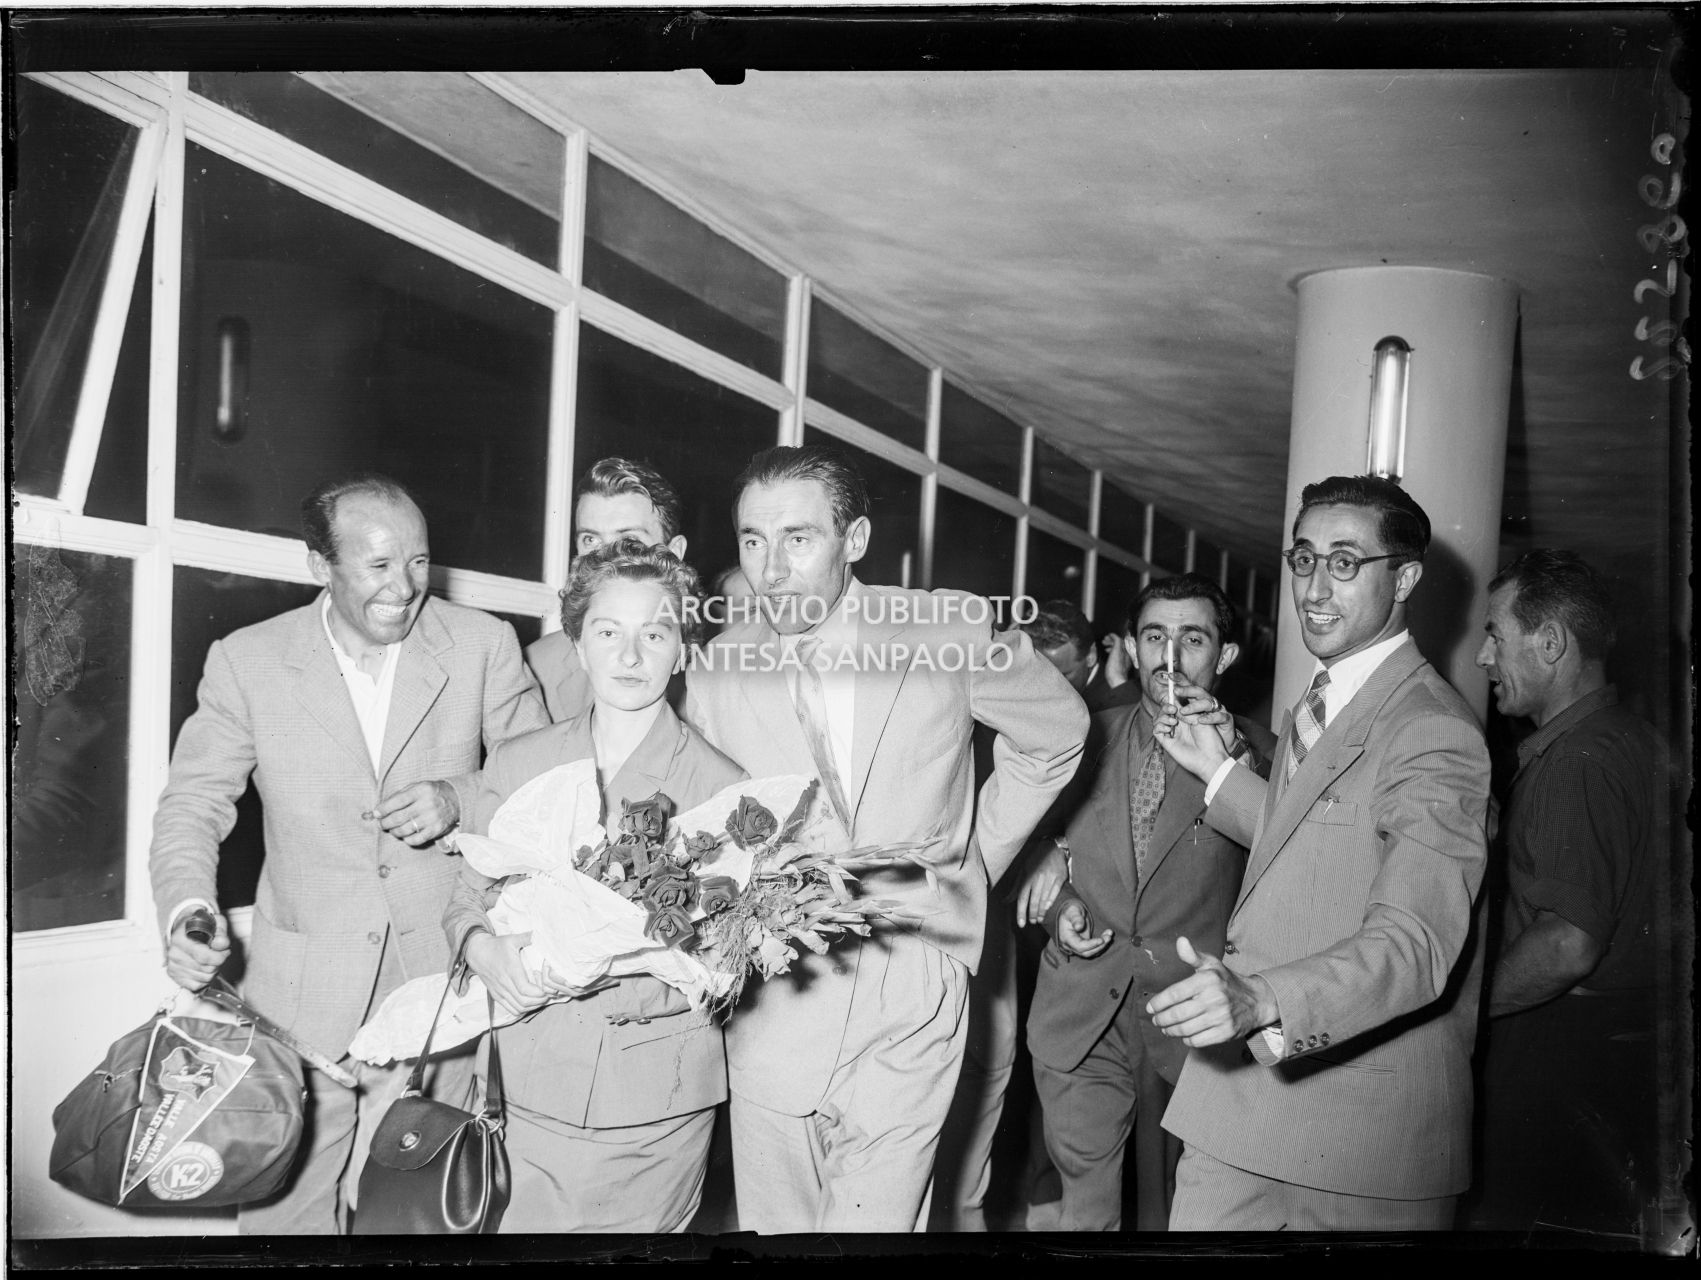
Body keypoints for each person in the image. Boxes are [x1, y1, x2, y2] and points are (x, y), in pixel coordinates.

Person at [685, 444, 1088, 1233]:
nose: (771, 569)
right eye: (752, 541)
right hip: (781, 989)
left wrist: (972, 861)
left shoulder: (946, 627)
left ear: (855, 540)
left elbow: (1057, 733)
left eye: (798, 539)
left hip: (915, 972)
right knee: (777, 1230)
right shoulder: (717, 668)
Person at [150, 474, 550, 1233]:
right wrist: (188, 907)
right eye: (377, 567)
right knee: (282, 1221)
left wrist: (460, 798)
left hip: (441, 989)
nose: (404, 588)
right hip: (299, 1002)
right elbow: (193, 806)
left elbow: (543, 784)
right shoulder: (247, 661)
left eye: (419, 562)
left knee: (426, 1217)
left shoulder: (482, 644)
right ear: (317, 565)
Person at [1148, 475, 1490, 1231]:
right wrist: (1218, 773)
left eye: (1343, 563)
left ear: (1402, 578)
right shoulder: (1331, 696)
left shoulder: (1431, 729)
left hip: (1355, 1138)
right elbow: (1315, 832)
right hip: (1239, 1115)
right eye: (1303, 560)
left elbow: (1417, 944)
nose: (1313, 587)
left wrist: (1261, 998)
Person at [443, 541, 745, 1232]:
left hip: (653, 1105)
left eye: (655, 633)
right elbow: (466, 899)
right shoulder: (521, 761)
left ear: (683, 648)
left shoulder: (722, 789)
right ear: (576, 644)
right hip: (528, 1084)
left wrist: (591, 969)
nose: (630, 656)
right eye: (608, 632)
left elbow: (723, 967)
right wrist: (481, 950)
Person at [1020, 573, 1275, 1230]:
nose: (1168, 657)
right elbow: (1023, 847)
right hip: (1082, 1009)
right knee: (1087, 1205)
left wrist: (1235, 769)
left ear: (1223, 657)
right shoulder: (1077, 739)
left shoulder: (1263, 759)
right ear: (1129, 648)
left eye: (1191, 640)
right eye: (1153, 637)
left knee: (1182, 1212)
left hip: (1192, 1019)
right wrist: (1058, 904)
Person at [1465, 550, 1666, 1234]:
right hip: (1620, 1047)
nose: (1483, 658)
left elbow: (1566, 944)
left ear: (1549, 643)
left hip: (1559, 1053)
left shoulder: (1577, 759)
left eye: (1494, 634)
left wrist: (1462, 1007)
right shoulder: (1629, 741)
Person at [932, 598, 1098, 1231]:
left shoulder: (1066, 728)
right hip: (941, 938)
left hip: (993, 947)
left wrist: (1051, 849)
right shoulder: (949, 708)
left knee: (982, 1099)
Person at [526, 458, 689, 721]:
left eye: (629, 540)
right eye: (590, 540)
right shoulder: (538, 666)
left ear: (674, 553)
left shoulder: (727, 659)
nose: (604, 558)